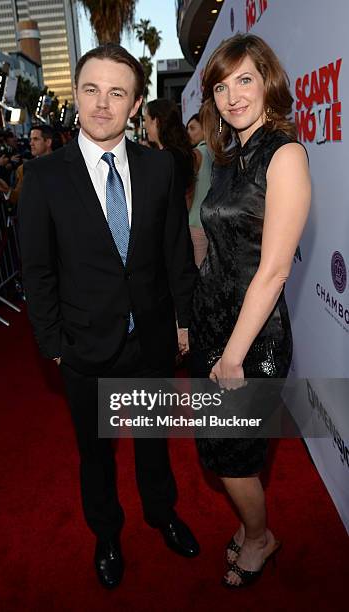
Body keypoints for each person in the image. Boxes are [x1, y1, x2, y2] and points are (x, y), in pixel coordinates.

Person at [19, 43, 199, 589]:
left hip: (150, 337)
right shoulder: (44, 175)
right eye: (91, 90)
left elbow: (174, 251)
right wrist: (52, 341)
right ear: (76, 95)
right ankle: (107, 534)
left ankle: (161, 513)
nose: (102, 104)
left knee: (152, 442)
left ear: (135, 102)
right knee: (94, 454)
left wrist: (183, 319)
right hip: (83, 346)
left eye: (116, 93)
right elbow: (37, 268)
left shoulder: (160, 167)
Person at [189, 33, 311, 588]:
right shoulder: (230, 155)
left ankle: (260, 538)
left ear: (268, 81)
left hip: (252, 336)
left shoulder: (283, 153)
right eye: (221, 85)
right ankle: (251, 526)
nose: (233, 95)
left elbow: (275, 270)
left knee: (233, 455)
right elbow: (215, 246)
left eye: (245, 79)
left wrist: (234, 354)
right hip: (214, 322)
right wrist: (195, 323)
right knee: (221, 447)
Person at [143, 98, 195, 200]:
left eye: (146, 120)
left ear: (156, 121)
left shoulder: (164, 158)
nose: (144, 126)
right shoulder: (180, 153)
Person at [186, 113, 212, 267]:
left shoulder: (196, 154)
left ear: (204, 129)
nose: (188, 132)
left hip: (195, 222)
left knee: (199, 273)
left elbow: (189, 192)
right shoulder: (217, 152)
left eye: (192, 128)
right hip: (212, 222)